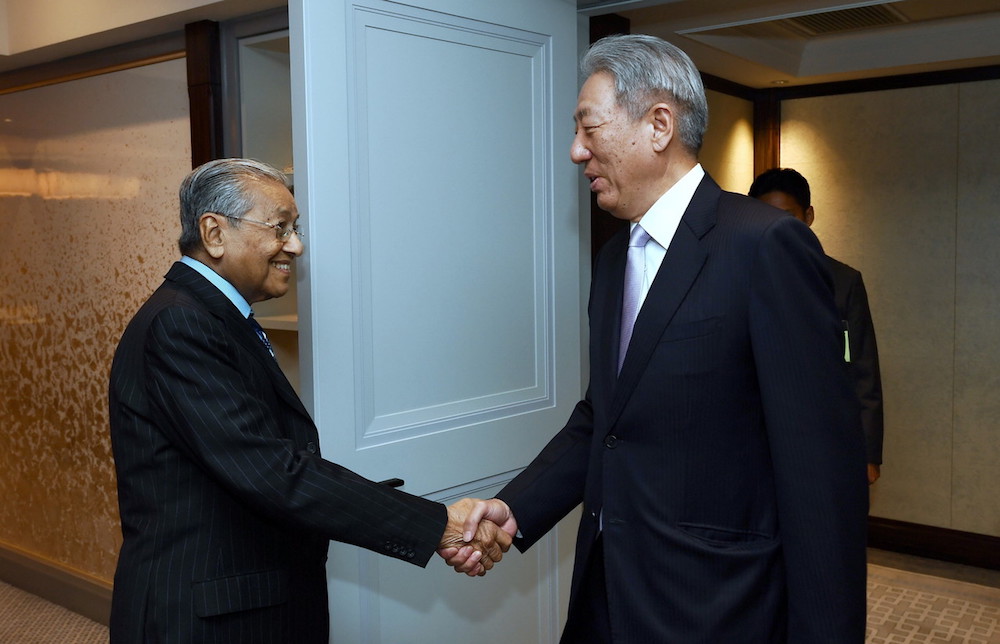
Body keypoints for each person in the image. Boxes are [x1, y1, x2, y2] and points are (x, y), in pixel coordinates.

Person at [446, 35, 868, 642]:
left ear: (659, 125)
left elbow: (820, 471)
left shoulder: (765, 246)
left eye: (589, 128)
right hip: (607, 593)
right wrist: (514, 508)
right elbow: (605, 418)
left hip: (717, 606)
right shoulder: (614, 258)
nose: (575, 150)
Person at [108, 158, 508, 643]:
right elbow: (271, 472)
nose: (295, 246)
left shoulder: (209, 315)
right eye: (280, 228)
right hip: (207, 613)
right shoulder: (182, 324)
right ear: (214, 233)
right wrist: (437, 525)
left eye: (295, 229)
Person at [749, 167, 885, 484]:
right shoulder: (740, 276)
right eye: (764, 217)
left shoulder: (843, 281)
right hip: (757, 438)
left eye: (787, 217)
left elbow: (864, 372)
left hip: (827, 432)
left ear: (808, 216)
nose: (775, 227)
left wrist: (868, 454)